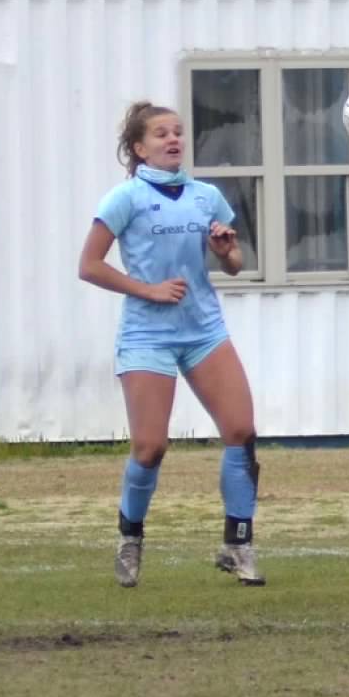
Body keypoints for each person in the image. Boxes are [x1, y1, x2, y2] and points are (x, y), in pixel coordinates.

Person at [77, 101, 262, 588]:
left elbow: (237, 263)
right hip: (147, 335)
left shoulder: (206, 197)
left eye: (178, 132)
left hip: (203, 331)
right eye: (161, 134)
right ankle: (130, 538)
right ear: (139, 148)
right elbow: (90, 266)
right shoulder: (125, 198)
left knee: (241, 430)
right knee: (150, 446)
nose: (173, 139)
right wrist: (149, 290)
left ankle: (238, 545)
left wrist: (227, 253)